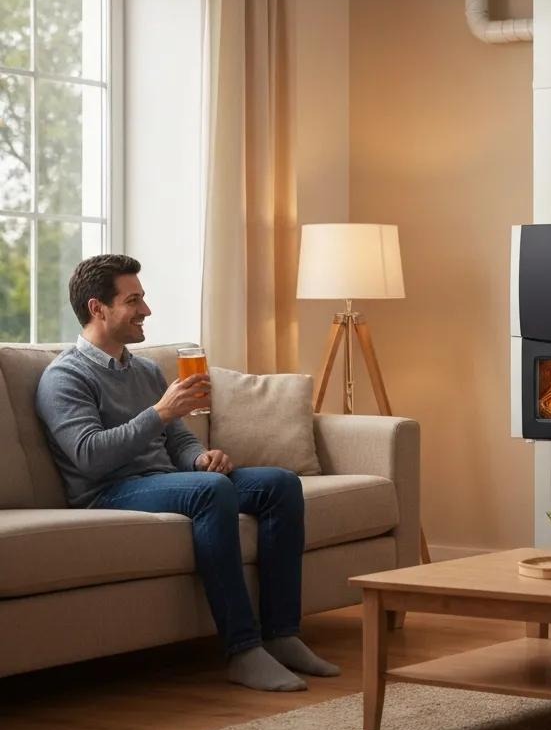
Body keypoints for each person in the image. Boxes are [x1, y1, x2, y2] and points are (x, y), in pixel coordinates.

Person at [35, 254, 339, 693]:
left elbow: (177, 439)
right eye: (133, 300)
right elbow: (88, 457)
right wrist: (158, 413)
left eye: (143, 298)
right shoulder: (64, 377)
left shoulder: (141, 368)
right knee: (210, 492)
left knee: (279, 484)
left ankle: (281, 634)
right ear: (97, 308)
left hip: (166, 481)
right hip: (109, 491)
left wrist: (199, 458)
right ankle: (242, 649)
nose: (146, 310)